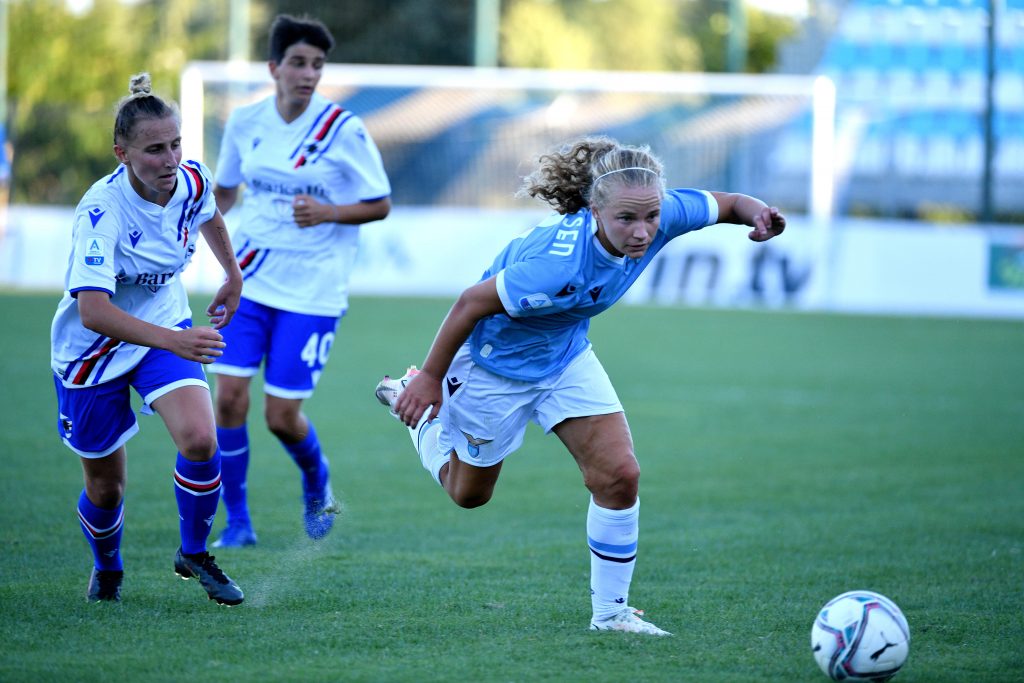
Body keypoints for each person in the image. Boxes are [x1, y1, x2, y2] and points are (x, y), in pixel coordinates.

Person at [374, 135, 786, 635]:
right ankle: (417, 411)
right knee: (468, 495)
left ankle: (611, 615)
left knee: (619, 476)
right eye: (626, 219)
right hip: (491, 366)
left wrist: (760, 214)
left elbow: (729, 204)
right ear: (595, 212)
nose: (642, 231)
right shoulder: (558, 264)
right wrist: (431, 378)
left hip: (565, 357)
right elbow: (469, 304)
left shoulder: (659, 213)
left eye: (651, 216)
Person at [50, 73, 245, 604]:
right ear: (122, 154)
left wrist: (232, 274)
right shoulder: (101, 212)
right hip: (91, 353)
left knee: (201, 440)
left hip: (164, 324)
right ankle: (107, 568)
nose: (170, 159)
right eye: (155, 149)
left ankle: (194, 552)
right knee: (106, 488)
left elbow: (209, 213)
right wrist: (174, 342)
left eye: (176, 144)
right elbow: (93, 311)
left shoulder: (191, 180)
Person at [208, 14, 391, 547]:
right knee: (228, 399)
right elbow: (225, 192)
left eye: (317, 65)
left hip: (313, 290)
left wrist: (328, 212)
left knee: (281, 416)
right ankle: (237, 522)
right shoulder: (245, 122)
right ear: (274, 67)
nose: (309, 74)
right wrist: (185, 229)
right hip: (249, 277)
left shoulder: (342, 130)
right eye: (298, 63)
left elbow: (380, 203)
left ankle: (317, 480)